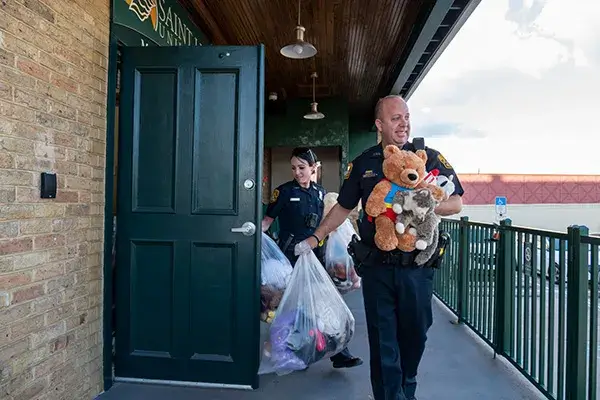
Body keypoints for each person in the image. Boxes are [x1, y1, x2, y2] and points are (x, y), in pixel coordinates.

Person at [293, 95, 464, 400]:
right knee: (384, 340)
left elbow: (456, 203)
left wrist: (426, 203)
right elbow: (343, 208)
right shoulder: (365, 163)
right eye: (396, 118)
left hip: (417, 267)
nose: (404, 123)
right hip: (377, 267)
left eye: (407, 116)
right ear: (380, 124)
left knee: (415, 335)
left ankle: (406, 387)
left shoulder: (428, 159)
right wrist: (315, 237)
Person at [261, 147, 363, 369]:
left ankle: (338, 352)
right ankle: (286, 349)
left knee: (323, 303)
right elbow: (266, 223)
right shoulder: (284, 192)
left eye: (302, 167)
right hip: (290, 259)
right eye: (294, 168)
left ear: (313, 168)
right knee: (292, 308)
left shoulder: (319, 192)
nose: (297, 172)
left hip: (313, 257)